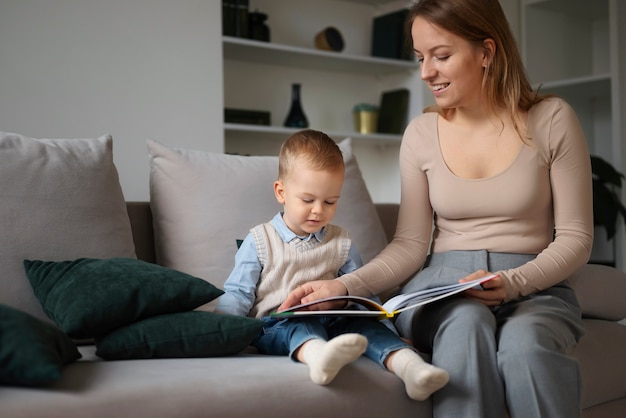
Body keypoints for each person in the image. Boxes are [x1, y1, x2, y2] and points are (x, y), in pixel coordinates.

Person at [278, 1, 593, 417]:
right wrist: (344, 287)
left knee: (526, 345)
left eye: (441, 56)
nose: (426, 72)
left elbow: (575, 237)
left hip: (534, 287)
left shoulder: (552, 119)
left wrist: (514, 282)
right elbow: (410, 243)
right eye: (420, 57)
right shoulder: (422, 134)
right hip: (443, 289)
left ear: (486, 52)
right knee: (466, 326)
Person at [215, 129, 449, 401]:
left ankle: (412, 369)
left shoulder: (342, 242)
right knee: (299, 328)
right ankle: (319, 358)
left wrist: (390, 331)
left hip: (336, 321)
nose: (318, 210)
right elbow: (238, 294)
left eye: (330, 201)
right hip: (277, 323)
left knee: (366, 329)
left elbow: (365, 295)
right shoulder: (259, 240)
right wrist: (220, 332)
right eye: (308, 200)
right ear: (281, 192)